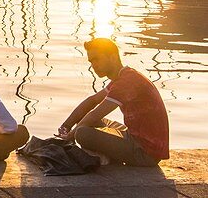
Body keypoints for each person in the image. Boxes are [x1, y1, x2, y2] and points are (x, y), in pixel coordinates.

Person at [57, 37, 168, 167]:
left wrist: (71, 135)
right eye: (91, 61)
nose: (93, 66)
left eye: (96, 59)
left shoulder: (127, 82)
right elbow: (92, 101)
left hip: (146, 153)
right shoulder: (123, 77)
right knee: (83, 120)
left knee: (82, 133)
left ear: (113, 57)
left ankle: (104, 157)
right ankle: (106, 155)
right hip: (132, 136)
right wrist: (65, 127)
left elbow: (95, 114)